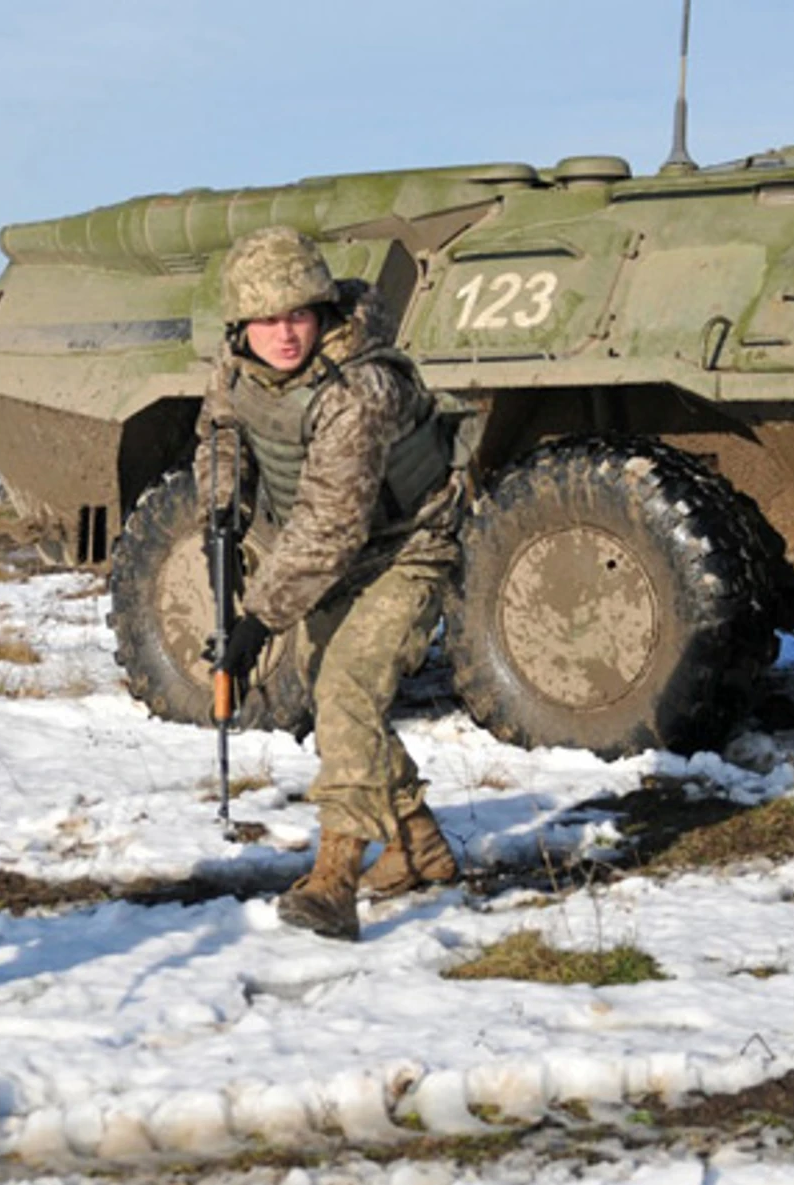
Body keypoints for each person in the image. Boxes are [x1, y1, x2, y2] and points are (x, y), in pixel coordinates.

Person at [196, 226, 465, 942]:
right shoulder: (234, 366)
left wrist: (258, 621)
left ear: (321, 313)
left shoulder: (358, 388)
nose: (284, 335)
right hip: (330, 558)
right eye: (267, 320)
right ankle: (419, 846)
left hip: (404, 549)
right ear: (241, 325)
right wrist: (221, 501)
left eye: (299, 316)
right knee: (332, 691)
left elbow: (329, 528)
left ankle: (334, 881)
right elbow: (220, 430)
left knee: (347, 694)